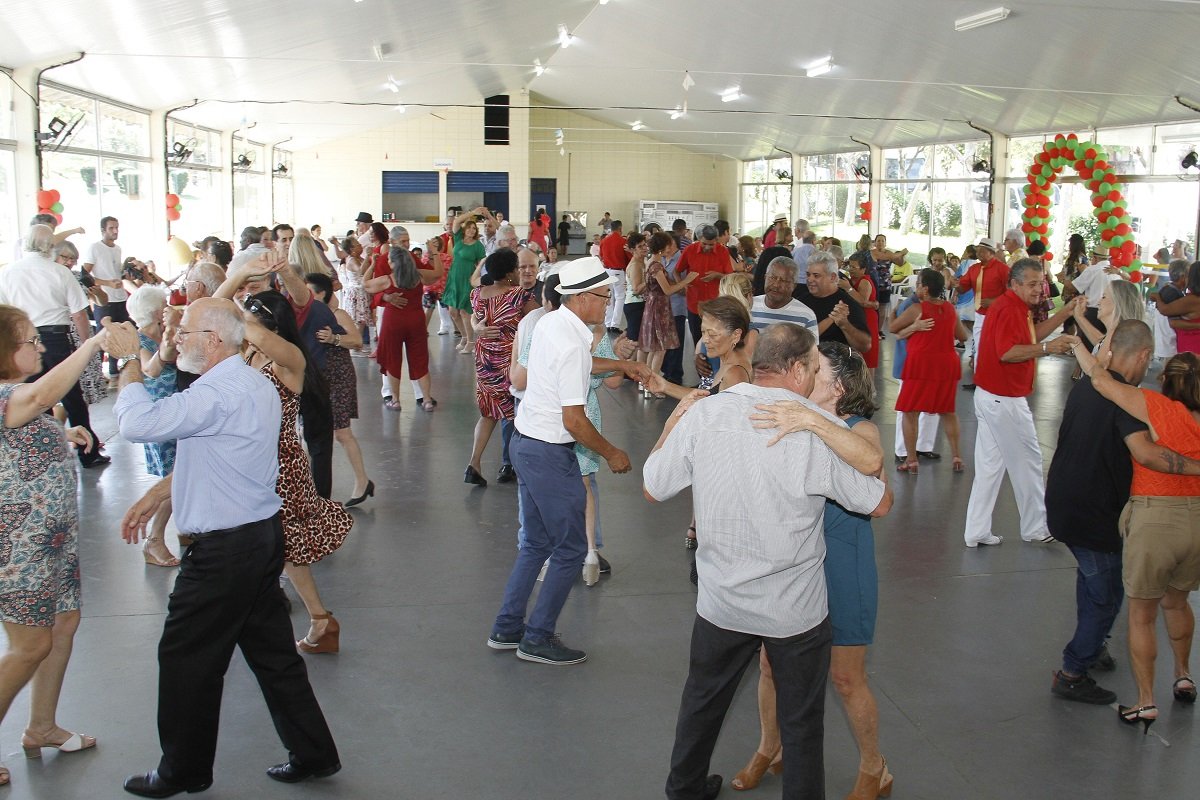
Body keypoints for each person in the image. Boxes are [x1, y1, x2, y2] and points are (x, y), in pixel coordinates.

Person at [645, 323, 889, 800]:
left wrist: (674, 422)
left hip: (722, 602)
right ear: (797, 370)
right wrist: (824, 424)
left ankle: (685, 790)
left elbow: (654, 486)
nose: (816, 376)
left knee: (702, 703)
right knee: (801, 724)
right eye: (815, 368)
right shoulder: (812, 428)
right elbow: (876, 500)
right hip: (793, 611)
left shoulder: (708, 414)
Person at [114, 298, 340, 796]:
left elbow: (135, 425)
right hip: (259, 540)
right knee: (273, 657)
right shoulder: (250, 382)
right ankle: (313, 752)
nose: (176, 339)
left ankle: (183, 771)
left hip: (224, 555)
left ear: (213, 340)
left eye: (185, 332)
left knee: (185, 661)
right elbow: (215, 457)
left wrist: (130, 360)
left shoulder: (218, 393)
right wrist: (159, 490)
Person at [736, 341, 894, 799]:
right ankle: (771, 746)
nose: (802, 373)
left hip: (843, 564)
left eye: (815, 370)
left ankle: (874, 767)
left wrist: (813, 422)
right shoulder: (793, 415)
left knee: (845, 676)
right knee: (769, 664)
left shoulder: (858, 428)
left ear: (838, 387)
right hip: (793, 562)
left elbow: (881, 498)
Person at [0, 307, 135, 789]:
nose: (38, 347)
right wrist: (94, 345)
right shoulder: (9, 395)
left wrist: (63, 432)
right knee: (30, 643)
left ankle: (41, 726)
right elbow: (36, 395)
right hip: (18, 545)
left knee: (62, 624)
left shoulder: (21, 401)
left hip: (50, 539)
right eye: (30, 340)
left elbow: (28, 425)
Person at [487, 257, 644, 666]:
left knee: (536, 543)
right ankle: (537, 636)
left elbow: (582, 366)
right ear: (583, 298)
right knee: (572, 549)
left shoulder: (550, 324)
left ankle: (507, 627)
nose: (609, 306)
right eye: (605, 298)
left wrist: (623, 364)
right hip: (549, 455)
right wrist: (613, 452)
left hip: (524, 443)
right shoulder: (573, 340)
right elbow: (574, 420)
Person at [1046, 320, 1200, 705]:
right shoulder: (1127, 403)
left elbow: (1097, 371)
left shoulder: (1087, 386)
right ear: (1145, 356)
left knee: (1091, 578)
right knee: (1107, 595)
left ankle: (1093, 647)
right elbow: (1147, 454)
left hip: (1066, 503)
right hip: (1095, 514)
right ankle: (1073, 670)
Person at [963, 259, 1082, 547]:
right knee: (1027, 462)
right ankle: (1036, 528)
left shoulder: (1015, 307)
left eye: (1040, 283)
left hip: (993, 397)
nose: (1039, 289)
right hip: (1004, 400)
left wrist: (1064, 313)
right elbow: (1007, 352)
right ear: (1014, 284)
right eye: (1031, 284)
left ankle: (976, 530)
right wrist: (1047, 349)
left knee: (991, 467)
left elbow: (1032, 335)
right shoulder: (1008, 309)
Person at [0, 225, 108, 467]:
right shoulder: (59, 272)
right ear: (51, 247)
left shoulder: (7, 273)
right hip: (56, 337)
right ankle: (87, 453)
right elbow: (79, 315)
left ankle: (40, 450)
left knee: (28, 397)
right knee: (72, 398)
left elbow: (4, 318)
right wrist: (85, 349)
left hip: (19, 342)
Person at [463, 249, 537, 487]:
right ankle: (518, 466)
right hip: (509, 362)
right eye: (517, 268)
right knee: (515, 416)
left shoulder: (477, 294)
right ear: (508, 274)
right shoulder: (518, 296)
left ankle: (474, 462)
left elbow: (476, 317)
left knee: (488, 414)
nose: (520, 272)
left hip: (485, 361)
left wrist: (476, 326)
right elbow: (540, 317)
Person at [892, 269, 970, 473]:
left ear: (925, 289)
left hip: (921, 363)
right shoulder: (950, 309)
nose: (916, 287)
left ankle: (911, 460)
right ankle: (956, 455)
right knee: (948, 411)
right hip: (946, 364)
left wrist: (895, 311)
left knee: (910, 412)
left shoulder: (917, 309)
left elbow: (892, 328)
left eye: (918, 284)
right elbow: (963, 336)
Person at [305, 272, 373, 507]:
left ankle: (362, 481)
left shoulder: (337, 314)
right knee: (320, 435)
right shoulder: (307, 317)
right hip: (318, 380)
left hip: (338, 377)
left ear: (321, 293)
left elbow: (356, 341)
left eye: (309, 291)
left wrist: (334, 338)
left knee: (342, 432)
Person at [126, 285, 181, 566]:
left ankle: (181, 532)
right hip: (160, 417)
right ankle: (155, 539)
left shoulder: (162, 333)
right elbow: (150, 369)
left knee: (178, 477)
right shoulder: (138, 340)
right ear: (157, 311)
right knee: (173, 479)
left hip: (177, 413)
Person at [362, 243, 444, 412]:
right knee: (420, 359)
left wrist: (372, 264)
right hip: (416, 320)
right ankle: (427, 400)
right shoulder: (419, 275)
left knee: (393, 360)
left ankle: (396, 400)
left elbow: (365, 284)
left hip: (394, 321)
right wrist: (435, 253)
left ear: (393, 263)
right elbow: (438, 274)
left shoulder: (388, 279)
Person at [641, 232, 698, 396]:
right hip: (660, 307)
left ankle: (648, 383)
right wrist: (686, 281)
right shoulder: (657, 266)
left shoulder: (651, 262)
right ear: (664, 247)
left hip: (656, 306)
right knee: (660, 349)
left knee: (655, 348)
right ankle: (653, 384)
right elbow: (667, 290)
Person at [957, 238, 1010, 390]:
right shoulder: (974, 269)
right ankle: (980, 380)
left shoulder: (1002, 269)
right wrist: (955, 284)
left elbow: (1012, 292)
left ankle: (996, 379)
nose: (978, 252)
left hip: (998, 315)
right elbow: (963, 287)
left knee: (996, 347)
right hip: (980, 314)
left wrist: (995, 301)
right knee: (979, 346)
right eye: (977, 249)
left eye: (981, 250)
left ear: (991, 252)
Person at [795, 251, 872, 352]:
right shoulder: (801, 302)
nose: (810, 279)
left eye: (816, 275)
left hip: (835, 365)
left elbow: (865, 346)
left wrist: (845, 324)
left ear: (833, 277)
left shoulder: (848, 304)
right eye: (808, 275)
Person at [81, 216, 127, 377]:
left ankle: (114, 370)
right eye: (111, 228)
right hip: (104, 299)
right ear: (103, 230)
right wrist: (107, 283)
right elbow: (84, 275)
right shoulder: (95, 248)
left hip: (120, 297)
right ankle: (98, 374)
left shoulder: (118, 248)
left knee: (120, 334)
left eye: (117, 227)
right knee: (103, 336)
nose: (115, 231)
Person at [679, 224, 735, 349]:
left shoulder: (723, 251)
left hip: (715, 305)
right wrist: (682, 286)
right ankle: (700, 365)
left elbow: (730, 277)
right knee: (697, 341)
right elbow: (677, 271)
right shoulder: (690, 250)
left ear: (716, 240)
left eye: (711, 244)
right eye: (704, 243)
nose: (707, 247)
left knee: (715, 341)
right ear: (699, 239)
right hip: (694, 303)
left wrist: (717, 275)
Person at [443, 208, 489, 349]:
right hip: (453, 278)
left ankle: (470, 341)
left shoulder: (478, 246)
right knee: (452, 311)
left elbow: (481, 263)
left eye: (474, 228)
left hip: (466, 279)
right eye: (469, 228)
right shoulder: (458, 239)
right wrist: (474, 212)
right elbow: (456, 221)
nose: (471, 230)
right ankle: (464, 336)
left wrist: (478, 279)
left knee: (464, 311)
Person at [846, 252, 880, 370]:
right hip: (857, 318)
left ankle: (870, 387)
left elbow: (862, 301)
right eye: (849, 266)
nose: (850, 270)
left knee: (868, 356)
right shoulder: (851, 280)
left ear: (863, 269)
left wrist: (848, 288)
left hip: (867, 319)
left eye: (854, 267)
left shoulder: (864, 281)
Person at [599, 219, 630, 332]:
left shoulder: (604, 241)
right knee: (620, 297)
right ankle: (615, 325)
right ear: (620, 229)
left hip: (606, 271)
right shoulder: (623, 241)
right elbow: (628, 258)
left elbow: (601, 255)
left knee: (609, 297)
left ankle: (607, 323)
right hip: (619, 272)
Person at [421, 235, 454, 335]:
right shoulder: (426, 256)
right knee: (430, 308)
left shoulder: (445, 257)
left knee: (449, 309)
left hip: (440, 287)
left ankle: (457, 329)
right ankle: (423, 330)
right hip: (433, 287)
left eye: (435, 244)